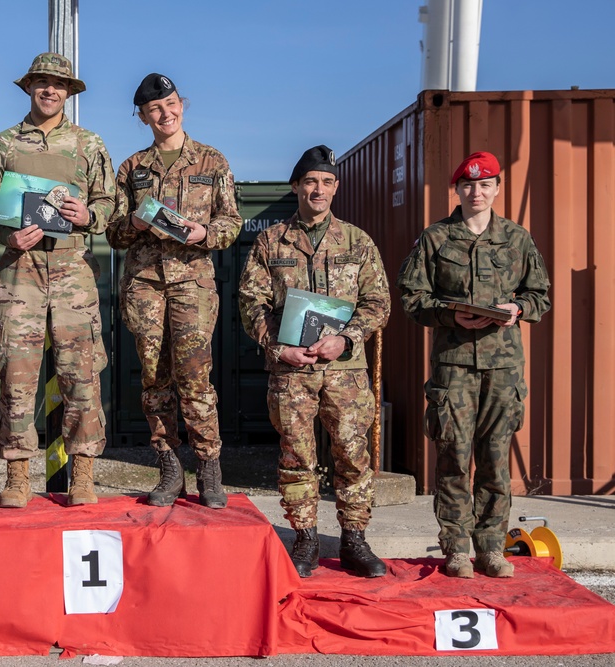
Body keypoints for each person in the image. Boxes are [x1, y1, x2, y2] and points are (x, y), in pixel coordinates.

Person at [397, 151, 551, 578]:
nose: (476, 192)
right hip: (454, 367)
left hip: (503, 368)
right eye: (468, 185)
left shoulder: (518, 239)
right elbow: (412, 297)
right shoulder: (435, 238)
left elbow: (540, 295)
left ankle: (491, 548)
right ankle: (456, 550)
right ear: (457, 190)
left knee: (496, 459)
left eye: (485, 185)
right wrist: (450, 314)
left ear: (498, 189)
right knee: (452, 457)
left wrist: (517, 308)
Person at [238, 145, 390, 578]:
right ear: (296, 187)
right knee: (296, 456)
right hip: (291, 371)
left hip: (345, 372)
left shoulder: (357, 241)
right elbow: (252, 303)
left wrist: (347, 338)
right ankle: (304, 538)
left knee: (353, 455)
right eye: (309, 181)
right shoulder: (271, 241)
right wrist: (277, 348)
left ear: (335, 188)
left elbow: (378, 303)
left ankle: (354, 540)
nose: (317, 189)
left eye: (325, 182)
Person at [0, 53, 115, 508]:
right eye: (42, 83)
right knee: (16, 372)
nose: (50, 91)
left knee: (82, 373)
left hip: (73, 268)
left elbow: (110, 203)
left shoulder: (89, 144)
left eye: (59, 85)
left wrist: (90, 214)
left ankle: (83, 474)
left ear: (69, 92)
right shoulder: (2, 145)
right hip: (21, 269)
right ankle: (17, 475)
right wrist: (6, 234)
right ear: (29, 87)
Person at [107, 73, 242, 509]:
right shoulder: (132, 168)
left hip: (193, 284)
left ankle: (209, 467)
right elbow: (112, 231)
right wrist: (134, 224)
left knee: (195, 378)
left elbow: (232, 222)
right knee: (154, 378)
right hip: (146, 285)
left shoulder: (212, 161)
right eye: (154, 110)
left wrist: (205, 232)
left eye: (170, 105)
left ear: (182, 104)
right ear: (143, 117)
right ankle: (168, 467)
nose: (165, 114)